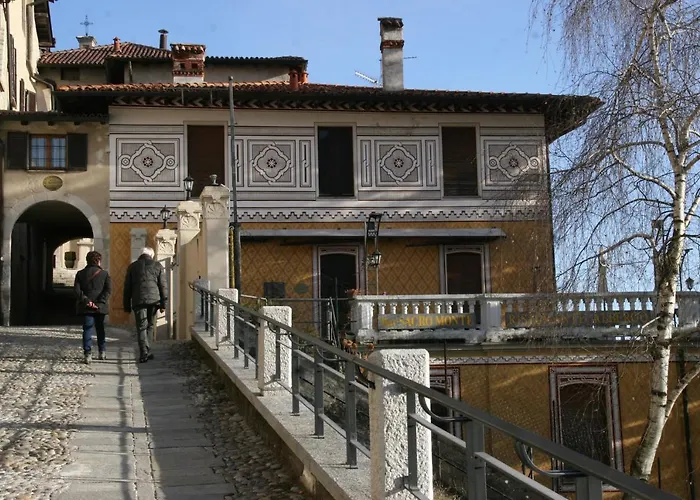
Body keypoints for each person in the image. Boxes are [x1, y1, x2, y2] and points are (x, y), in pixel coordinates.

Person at [123, 247, 168, 363]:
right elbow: (163, 285)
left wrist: (126, 305)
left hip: (138, 300)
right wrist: (164, 304)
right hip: (154, 301)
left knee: (141, 326)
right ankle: (148, 350)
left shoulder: (132, 267)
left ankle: (144, 351)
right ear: (151, 255)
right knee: (150, 325)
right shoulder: (157, 266)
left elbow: (127, 288)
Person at [74, 250, 112, 364]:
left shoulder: (80, 274)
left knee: (87, 329)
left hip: (86, 306)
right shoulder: (104, 274)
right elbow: (108, 290)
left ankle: (88, 353)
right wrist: (100, 302)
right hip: (100, 306)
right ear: (99, 261)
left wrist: (87, 301)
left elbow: (77, 291)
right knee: (100, 329)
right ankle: (102, 352)